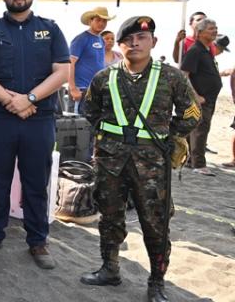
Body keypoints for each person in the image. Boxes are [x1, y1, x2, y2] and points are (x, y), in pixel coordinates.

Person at [81, 16, 200, 302]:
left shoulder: (171, 77)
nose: (134, 43)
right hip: (111, 162)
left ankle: (156, 282)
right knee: (110, 218)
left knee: (155, 223)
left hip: (152, 166)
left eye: (141, 38)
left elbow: (192, 114)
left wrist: (166, 136)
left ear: (153, 42)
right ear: (119, 45)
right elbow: (90, 111)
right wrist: (110, 138)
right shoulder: (103, 78)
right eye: (127, 39)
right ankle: (110, 269)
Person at [0, 0, 70, 269]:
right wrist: (10, 101)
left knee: (36, 182)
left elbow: (62, 72)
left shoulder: (49, 30)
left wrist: (29, 99)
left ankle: (38, 241)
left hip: (39, 119)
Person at [180, 18, 222, 175]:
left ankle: (192, 161)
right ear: (200, 32)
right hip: (201, 99)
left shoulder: (206, 50)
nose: (215, 31)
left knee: (200, 128)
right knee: (200, 129)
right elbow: (184, 75)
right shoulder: (195, 50)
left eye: (216, 27)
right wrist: (195, 95)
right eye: (211, 28)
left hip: (210, 98)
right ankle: (198, 164)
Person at [69, 7, 115, 113]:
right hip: (82, 89)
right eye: (98, 20)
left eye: (104, 21)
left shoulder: (101, 40)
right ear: (90, 21)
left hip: (97, 89)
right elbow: (70, 64)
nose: (101, 23)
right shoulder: (81, 39)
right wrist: (73, 88)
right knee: (81, 125)